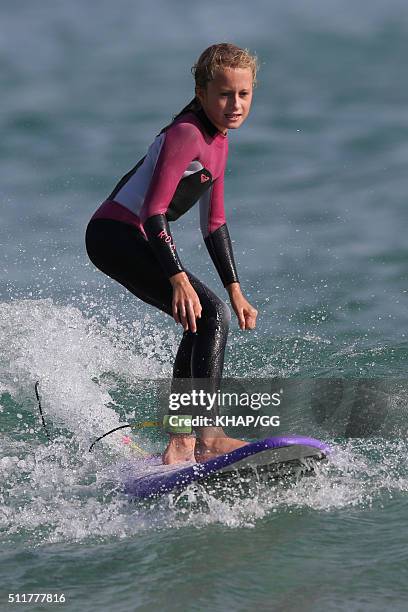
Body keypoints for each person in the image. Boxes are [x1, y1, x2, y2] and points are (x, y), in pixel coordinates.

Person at [86, 43, 258, 464]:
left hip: (139, 236)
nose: (234, 104)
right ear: (201, 94)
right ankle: (207, 435)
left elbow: (214, 223)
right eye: (224, 94)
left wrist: (235, 288)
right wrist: (179, 277)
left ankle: (181, 441)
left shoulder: (218, 141)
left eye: (244, 94)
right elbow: (153, 211)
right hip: (116, 235)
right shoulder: (186, 134)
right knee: (208, 315)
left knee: (204, 317)